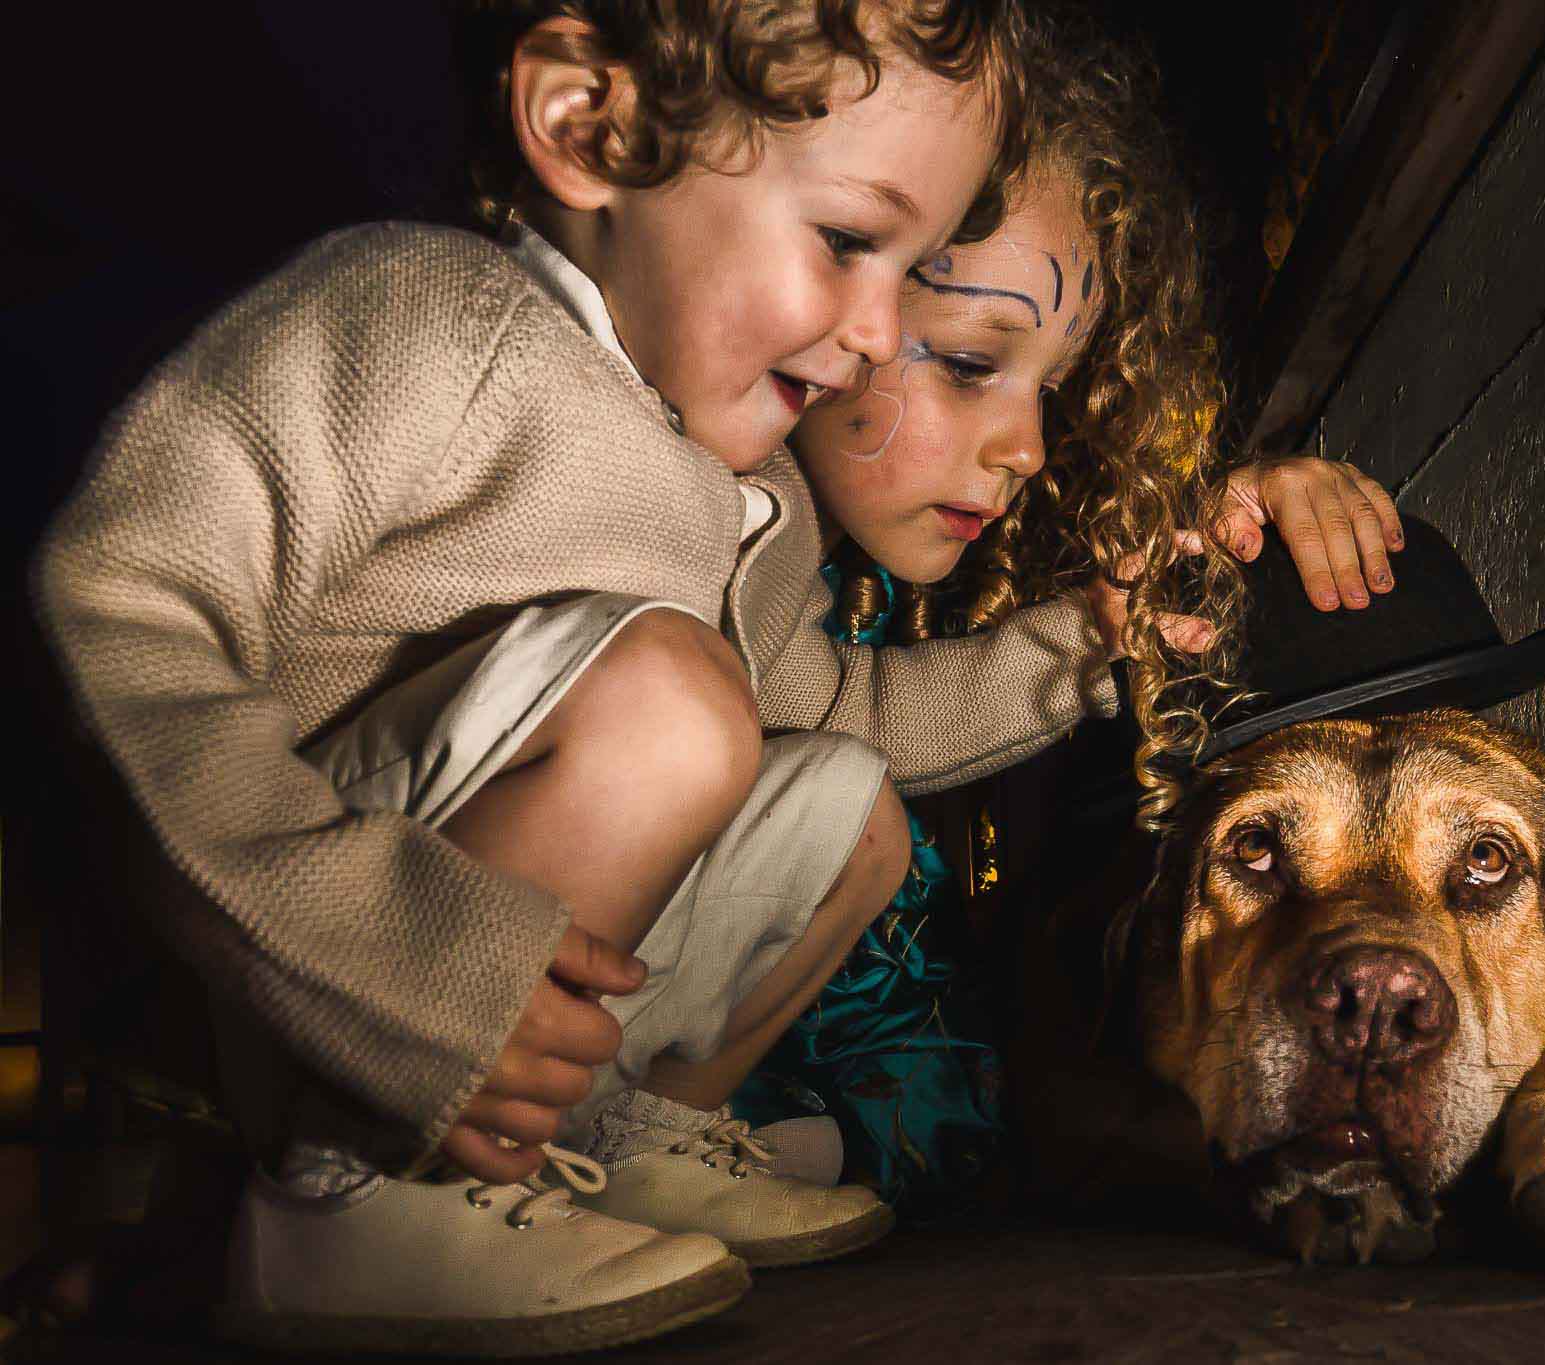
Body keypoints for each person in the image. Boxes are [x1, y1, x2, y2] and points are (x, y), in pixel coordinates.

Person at [31, 0, 1036, 1353]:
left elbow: (843, 709)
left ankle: (613, 1145)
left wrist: (1089, 656)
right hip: (294, 980)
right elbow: (119, 601)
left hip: (505, 993)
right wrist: (374, 943)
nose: (872, 332)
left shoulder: (753, 494)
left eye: (909, 269)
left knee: (850, 803)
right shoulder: (420, 319)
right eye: (851, 241)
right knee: (676, 707)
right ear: (589, 127)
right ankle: (344, 1199)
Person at [718, 17, 1403, 1203]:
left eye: (1058, 385)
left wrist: (1220, 536)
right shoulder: (687, 489)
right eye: (977, 362)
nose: (1030, 445)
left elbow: (844, 706)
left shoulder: (863, 555)